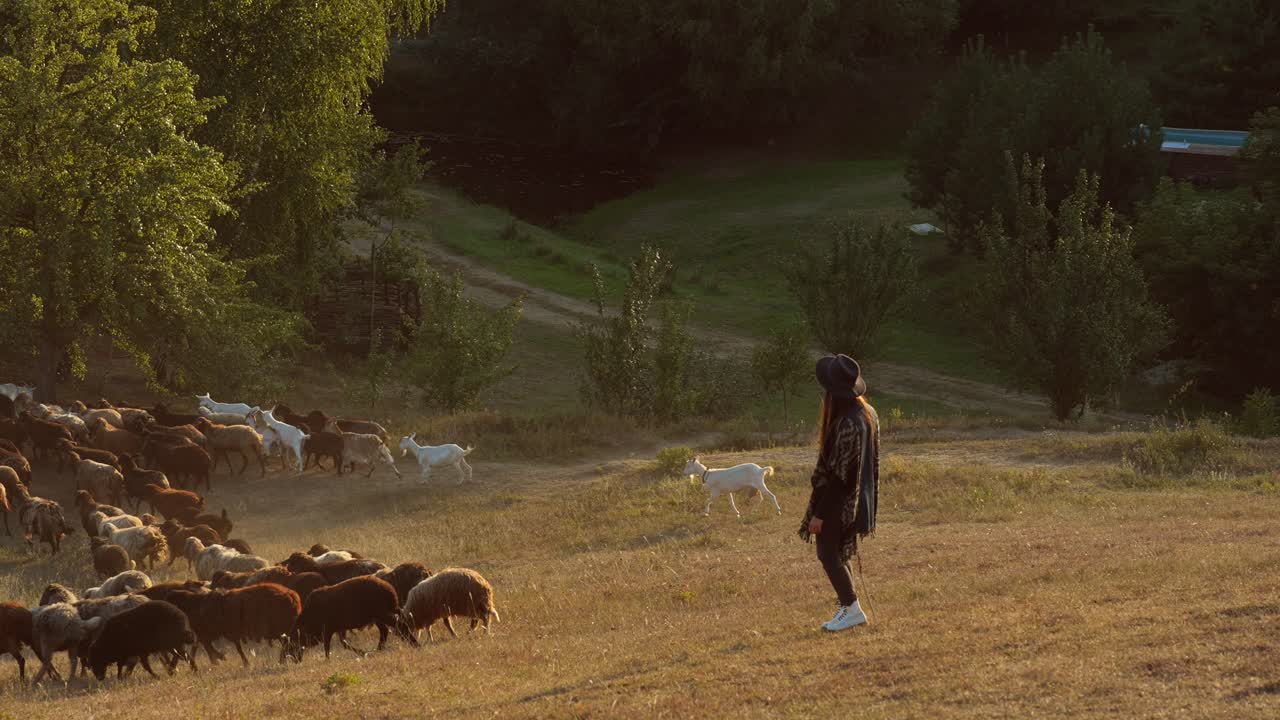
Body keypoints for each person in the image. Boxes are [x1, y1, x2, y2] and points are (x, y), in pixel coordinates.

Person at [799, 354, 879, 633]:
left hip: (841, 502)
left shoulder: (848, 424)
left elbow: (839, 477)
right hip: (859, 500)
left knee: (827, 554)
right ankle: (848, 607)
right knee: (836, 554)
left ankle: (852, 608)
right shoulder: (867, 414)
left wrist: (819, 514)